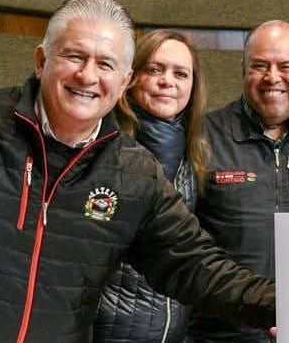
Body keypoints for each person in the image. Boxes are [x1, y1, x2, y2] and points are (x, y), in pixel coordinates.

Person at [0, 0, 275, 343]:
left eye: (105, 64)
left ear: (124, 81)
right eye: (74, 56)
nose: (87, 75)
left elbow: (198, 267)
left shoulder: (135, 174)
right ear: (41, 60)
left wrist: (283, 305)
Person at [189, 20, 289, 343]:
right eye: (260, 66)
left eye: (286, 66)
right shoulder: (202, 136)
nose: (273, 77)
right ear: (244, 71)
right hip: (221, 333)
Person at [93, 30, 208, 343]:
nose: (167, 81)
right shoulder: (102, 145)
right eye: (155, 69)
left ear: (193, 86)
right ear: (131, 77)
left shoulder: (197, 155)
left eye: (180, 74)